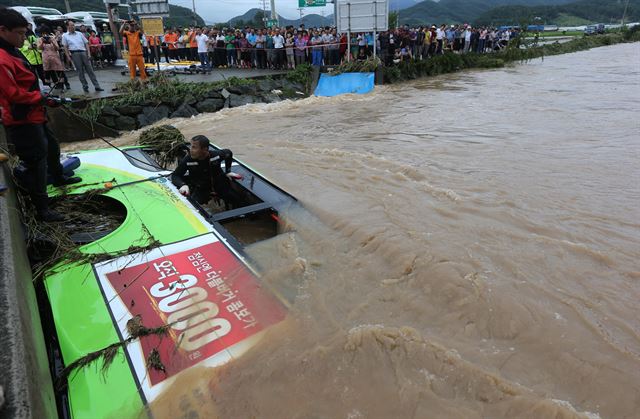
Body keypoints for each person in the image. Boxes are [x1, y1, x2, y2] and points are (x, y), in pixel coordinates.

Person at [0, 8, 81, 222]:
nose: (24, 37)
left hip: (34, 113)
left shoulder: (13, 50)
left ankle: (58, 177)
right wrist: (40, 98)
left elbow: (26, 85)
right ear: (3, 30)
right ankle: (42, 209)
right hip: (22, 119)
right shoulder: (1, 58)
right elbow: (12, 94)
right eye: (19, 33)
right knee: (36, 161)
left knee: (52, 146)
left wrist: (45, 98)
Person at [171, 135, 236, 209]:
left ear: (205, 149)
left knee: (237, 200)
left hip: (220, 185)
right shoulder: (188, 160)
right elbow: (175, 176)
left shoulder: (216, 155)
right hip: (201, 188)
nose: (190, 150)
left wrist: (228, 172)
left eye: (194, 147)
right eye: (191, 146)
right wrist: (183, 185)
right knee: (192, 207)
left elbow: (229, 153)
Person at [62, 20, 103, 93]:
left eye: (73, 25)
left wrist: (89, 53)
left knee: (90, 70)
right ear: (67, 26)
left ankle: (97, 86)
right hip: (75, 54)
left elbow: (86, 43)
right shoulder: (65, 35)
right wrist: (68, 57)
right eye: (71, 25)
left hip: (83, 52)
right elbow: (65, 47)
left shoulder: (79, 34)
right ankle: (85, 86)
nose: (73, 26)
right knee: (80, 71)